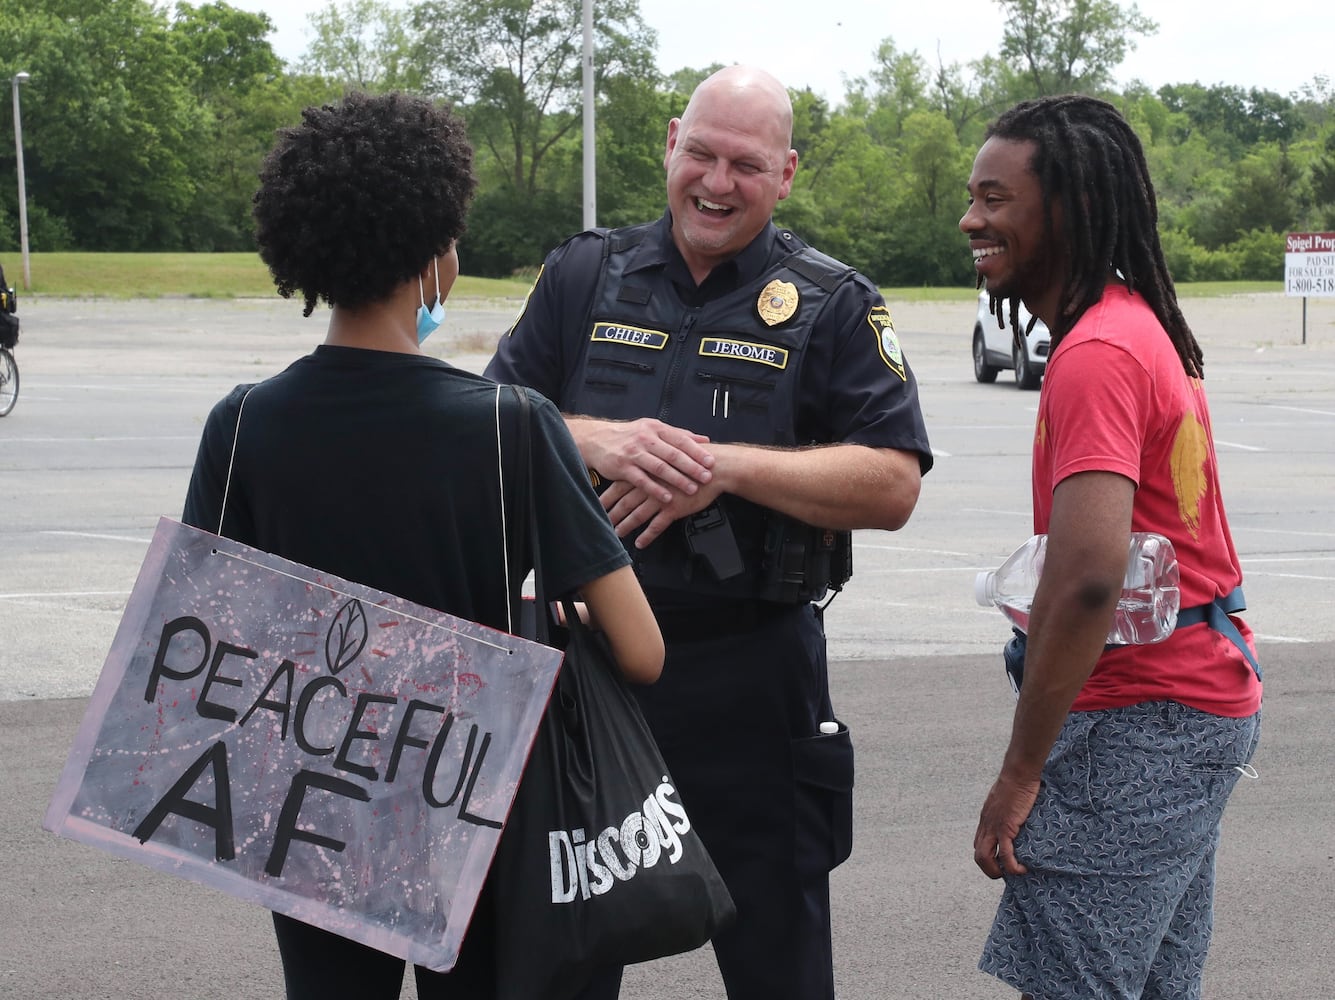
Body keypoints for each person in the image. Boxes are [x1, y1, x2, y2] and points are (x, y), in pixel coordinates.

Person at [181, 91, 663, 1000]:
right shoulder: (511, 426)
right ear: (435, 256)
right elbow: (641, 652)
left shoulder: (240, 424)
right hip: (469, 816)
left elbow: (204, 650)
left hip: (310, 816)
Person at [485, 65, 933, 1000]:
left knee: (777, 958)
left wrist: (719, 468)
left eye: (745, 164)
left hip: (751, 675)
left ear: (787, 174)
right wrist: (595, 436)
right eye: (701, 153)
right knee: (559, 956)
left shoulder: (833, 302)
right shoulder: (582, 273)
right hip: (586, 675)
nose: (716, 183)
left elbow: (892, 482)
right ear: (668, 145)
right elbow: (490, 418)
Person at [960, 95, 1262, 1000]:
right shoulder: (1133, 325)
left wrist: (1019, 774)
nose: (971, 218)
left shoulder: (1096, 352)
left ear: (1072, 209)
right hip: (1193, 707)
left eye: (996, 198)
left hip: (1141, 725)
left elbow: (1088, 580)